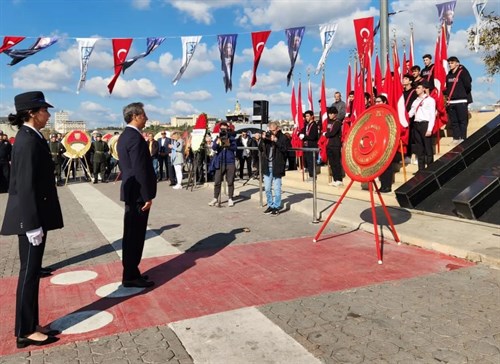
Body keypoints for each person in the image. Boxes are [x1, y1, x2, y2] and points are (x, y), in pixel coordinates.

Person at [1, 91, 63, 348]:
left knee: (33, 273)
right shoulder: (26, 141)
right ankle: (25, 330)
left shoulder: (31, 137)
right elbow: (24, 187)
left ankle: (31, 323)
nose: (48, 115)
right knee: (28, 274)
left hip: (35, 216)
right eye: (44, 111)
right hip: (31, 220)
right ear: (32, 113)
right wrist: (32, 224)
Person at [116, 102, 156, 288]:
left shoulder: (126, 136)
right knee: (135, 236)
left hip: (132, 192)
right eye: (144, 115)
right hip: (138, 194)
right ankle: (130, 275)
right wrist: (147, 196)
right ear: (135, 116)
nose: (146, 118)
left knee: (132, 234)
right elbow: (140, 170)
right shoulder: (134, 138)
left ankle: (131, 271)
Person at [260, 121, 288, 215]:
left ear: (278, 129)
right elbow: (260, 148)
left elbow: (285, 149)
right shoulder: (267, 137)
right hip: (267, 166)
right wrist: (262, 139)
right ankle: (270, 205)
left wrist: (276, 141)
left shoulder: (283, 137)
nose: (272, 132)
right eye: (270, 130)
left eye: (274, 130)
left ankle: (277, 206)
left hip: (277, 166)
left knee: (277, 189)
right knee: (267, 188)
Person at [444, 56, 473, 144]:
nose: (450, 64)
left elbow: (468, 85)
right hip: (451, 102)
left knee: (462, 121)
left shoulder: (462, 72)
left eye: (452, 63)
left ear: (457, 63)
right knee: (454, 121)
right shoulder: (449, 74)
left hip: (461, 101)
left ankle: (463, 138)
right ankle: (456, 137)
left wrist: (462, 93)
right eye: (449, 63)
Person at [408, 81, 436, 170]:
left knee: (428, 148)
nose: (417, 89)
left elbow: (432, 115)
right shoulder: (415, 101)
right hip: (416, 125)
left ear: (424, 89)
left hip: (425, 124)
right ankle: (421, 169)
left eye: (419, 88)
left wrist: (429, 129)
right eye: (416, 88)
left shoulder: (430, 100)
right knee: (419, 149)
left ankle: (430, 168)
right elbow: (410, 114)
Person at [209, 122, 237, 207]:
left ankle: (230, 198)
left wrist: (229, 145)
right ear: (220, 129)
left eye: (225, 128)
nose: (223, 130)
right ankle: (215, 198)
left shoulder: (232, 138)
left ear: (228, 128)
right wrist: (217, 143)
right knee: (217, 181)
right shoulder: (217, 138)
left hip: (230, 162)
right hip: (220, 161)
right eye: (222, 129)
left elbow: (235, 148)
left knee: (230, 181)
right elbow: (213, 148)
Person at [324, 106, 343, 187]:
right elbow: (328, 131)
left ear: (335, 114)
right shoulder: (329, 122)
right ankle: (335, 179)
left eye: (331, 113)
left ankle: (339, 179)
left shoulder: (338, 122)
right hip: (329, 145)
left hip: (336, 145)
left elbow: (332, 133)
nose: (330, 115)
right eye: (329, 113)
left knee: (336, 162)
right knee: (332, 163)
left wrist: (326, 134)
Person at [299, 110, 319, 180]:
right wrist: (300, 134)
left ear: (312, 116)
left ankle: (313, 175)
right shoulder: (306, 125)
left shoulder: (314, 125)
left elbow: (313, 136)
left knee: (311, 161)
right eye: (306, 116)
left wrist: (304, 136)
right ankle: (310, 174)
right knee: (307, 160)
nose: (306, 118)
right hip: (306, 145)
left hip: (312, 145)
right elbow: (302, 131)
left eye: (308, 116)